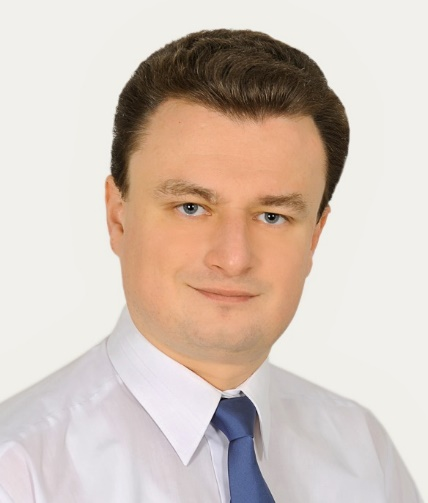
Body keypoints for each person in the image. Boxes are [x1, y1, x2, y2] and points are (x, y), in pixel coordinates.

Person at [0, 28, 423, 503]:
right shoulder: (18, 473)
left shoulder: (365, 455)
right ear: (118, 217)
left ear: (315, 236)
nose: (233, 258)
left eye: (272, 216)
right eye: (191, 207)